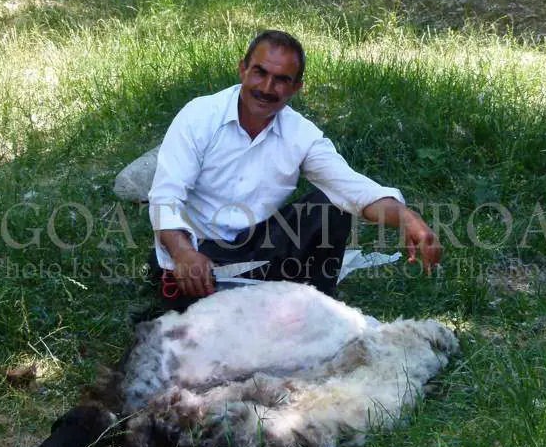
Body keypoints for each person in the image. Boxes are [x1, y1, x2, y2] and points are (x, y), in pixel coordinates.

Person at [147, 29, 441, 311]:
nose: (265, 88)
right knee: (203, 323)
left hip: (259, 246)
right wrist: (183, 253)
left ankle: (318, 307)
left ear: (295, 87)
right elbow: (166, 197)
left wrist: (406, 217)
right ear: (243, 69)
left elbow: (352, 188)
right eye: (260, 72)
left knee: (331, 206)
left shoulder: (301, 134)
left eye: (280, 80)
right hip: (197, 252)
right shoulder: (198, 116)